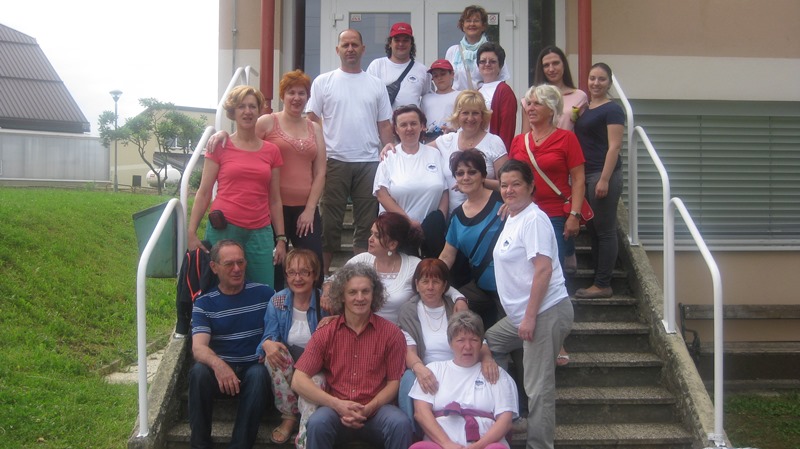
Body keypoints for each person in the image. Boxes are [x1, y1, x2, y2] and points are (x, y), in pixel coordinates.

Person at [208, 70, 326, 290]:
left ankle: (313, 307)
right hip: (272, 209)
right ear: (283, 96)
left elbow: (320, 172)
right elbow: (243, 138)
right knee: (276, 267)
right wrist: (222, 134)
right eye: (291, 92)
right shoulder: (268, 122)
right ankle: (277, 307)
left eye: (301, 93)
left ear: (308, 97)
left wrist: (311, 209)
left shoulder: (315, 128)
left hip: (305, 210)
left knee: (313, 263)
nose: (296, 98)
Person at [486, 160, 574, 449]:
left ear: (531, 186)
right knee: (490, 343)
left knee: (539, 388)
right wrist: (509, 205)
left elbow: (543, 270)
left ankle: (539, 444)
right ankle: (508, 411)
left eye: (516, 184)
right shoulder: (514, 214)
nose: (509, 190)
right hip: (523, 314)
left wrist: (530, 317)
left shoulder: (534, 219)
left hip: (544, 311)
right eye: (504, 185)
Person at [291, 263, 412, 449]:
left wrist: (369, 408)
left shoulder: (391, 334)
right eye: (353, 292)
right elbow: (298, 380)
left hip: (376, 411)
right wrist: (337, 404)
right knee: (317, 423)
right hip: (336, 412)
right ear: (342, 296)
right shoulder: (326, 333)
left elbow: (394, 383)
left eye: (365, 291)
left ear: (374, 294)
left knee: (400, 424)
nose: (360, 298)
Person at [307, 29, 394, 275]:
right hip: (334, 161)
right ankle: (322, 277)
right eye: (345, 45)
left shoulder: (376, 84)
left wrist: (390, 157)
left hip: (369, 163)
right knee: (329, 225)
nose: (350, 49)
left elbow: (384, 125)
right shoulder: (323, 82)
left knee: (366, 226)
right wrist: (316, 156)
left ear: (363, 49)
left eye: (355, 44)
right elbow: (311, 120)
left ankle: (360, 277)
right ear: (338, 50)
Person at [188, 86, 286, 286]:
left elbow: (275, 199)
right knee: (221, 289)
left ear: (259, 110)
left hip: (260, 232)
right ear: (233, 111)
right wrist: (191, 232)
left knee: (263, 289)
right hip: (225, 229)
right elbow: (204, 192)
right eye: (241, 106)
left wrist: (281, 238)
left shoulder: (272, 151)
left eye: (252, 106)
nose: (247, 111)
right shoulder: (220, 145)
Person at [189, 240, 275, 449]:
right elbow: (198, 348)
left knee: (258, 374)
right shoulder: (204, 303)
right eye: (229, 264)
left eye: (240, 262)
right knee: (198, 372)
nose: (237, 269)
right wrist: (219, 366)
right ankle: (200, 445)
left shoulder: (265, 294)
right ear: (214, 267)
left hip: (252, 371)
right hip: (220, 376)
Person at [397, 259, 499, 428]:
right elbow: (409, 350)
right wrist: (420, 369)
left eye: (436, 282)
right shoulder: (409, 311)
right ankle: (414, 432)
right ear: (417, 284)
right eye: (425, 282)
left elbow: (477, 339)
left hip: (460, 368)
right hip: (428, 370)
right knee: (408, 378)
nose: (430, 287)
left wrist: (487, 358)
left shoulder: (456, 307)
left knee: (493, 372)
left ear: (444, 286)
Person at [410, 310, 517, 449]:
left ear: (481, 344)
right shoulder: (433, 371)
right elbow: (421, 413)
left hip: (485, 445)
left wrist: (478, 446)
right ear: (450, 343)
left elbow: (505, 421)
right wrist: (447, 444)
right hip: (441, 445)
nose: (467, 347)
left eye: (474, 340)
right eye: (460, 340)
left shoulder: (496, 373)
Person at [509, 84, 586, 271]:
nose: (530, 108)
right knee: (525, 269)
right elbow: (510, 177)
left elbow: (578, 179)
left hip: (555, 214)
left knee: (552, 270)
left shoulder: (567, 139)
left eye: (537, 104)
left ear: (551, 109)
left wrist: (574, 215)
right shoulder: (518, 141)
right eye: (529, 103)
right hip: (523, 212)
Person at [256, 249, 327, 444]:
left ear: (315, 275)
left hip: (316, 367)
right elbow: (270, 335)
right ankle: (289, 415)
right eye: (292, 272)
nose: (297, 278)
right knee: (274, 354)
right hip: (288, 364)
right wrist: (267, 344)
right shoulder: (278, 301)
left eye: (304, 272)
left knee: (315, 383)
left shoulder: (325, 301)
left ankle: (304, 437)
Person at [345, 212, 467, 324]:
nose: (370, 239)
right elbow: (336, 283)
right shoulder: (360, 260)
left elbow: (441, 285)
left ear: (392, 244)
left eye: (377, 236)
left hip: (401, 334)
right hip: (362, 330)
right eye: (371, 233)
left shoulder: (413, 265)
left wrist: (460, 299)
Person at [573, 63, 625, 299]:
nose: (596, 83)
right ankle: (597, 279)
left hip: (602, 175)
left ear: (609, 83)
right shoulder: (587, 107)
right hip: (587, 174)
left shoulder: (612, 109)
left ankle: (603, 284)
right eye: (592, 78)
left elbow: (614, 146)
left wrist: (604, 179)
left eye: (601, 79)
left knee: (605, 231)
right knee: (593, 229)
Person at [439, 149, 505, 329]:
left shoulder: (504, 202)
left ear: (483, 175)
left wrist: (516, 206)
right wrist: (431, 277)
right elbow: (446, 256)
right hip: (481, 288)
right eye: (460, 173)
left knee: (509, 341)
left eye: (472, 172)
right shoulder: (457, 216)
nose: (466, 177)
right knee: (449, 309)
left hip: (511, 288)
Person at [374, 105, 449, 257]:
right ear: (396, 129)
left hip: (431, 234)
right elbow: (382, 195)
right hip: (397, 232)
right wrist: (409, 223)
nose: (409, 128)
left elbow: (444, 191)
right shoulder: (389, 157)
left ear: (422, 126)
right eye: (403, 125)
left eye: (414, 123)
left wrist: (438, 220)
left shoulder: (435, 154)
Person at [431, 90, 508, 214]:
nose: (470, 118)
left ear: (482, 116)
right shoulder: (447, 141)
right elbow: (416, 150)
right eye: (465, 113)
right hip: (453, 217)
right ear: (457, 115)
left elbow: (506, 184)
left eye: (475, 113)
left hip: (487, 215)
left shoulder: (494, 142)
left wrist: (478, 182)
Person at [445, 5, 510, 91]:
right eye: (468, 21)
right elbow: (446, 81)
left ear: (483, 25)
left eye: (476, 21)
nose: (472, 24)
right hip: (458, 99)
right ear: (463, 25)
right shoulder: (453, 51)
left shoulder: (494, 51)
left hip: (484, 98)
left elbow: (502, 81)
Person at [524, 45, 588, 132]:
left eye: (555, 63)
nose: (551, 69)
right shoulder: (529, 99)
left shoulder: (579, 97)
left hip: (568, 140)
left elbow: (584, 132)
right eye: (546, 65)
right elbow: (525, 134)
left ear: (564, 65)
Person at [367, 22, 430, 108]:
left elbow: (429, 100)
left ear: (411, 44)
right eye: (397, 40)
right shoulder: (377, 66)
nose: (401, 44)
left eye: (405, 40)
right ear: (390, 43)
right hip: (385, 117)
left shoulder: (423, 70)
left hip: (413, 117)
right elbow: (367, 97)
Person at [477, 42, 517, 150]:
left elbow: (507, 129)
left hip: (494, 152)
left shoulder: (504, 91)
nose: (487, 64)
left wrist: (500, 152)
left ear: (500, 66)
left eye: (492, 61)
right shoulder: (477, 92)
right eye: (483, 61)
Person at [421, 59, 460, 144]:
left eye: (443, 74)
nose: (439, 78)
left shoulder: (460, 96)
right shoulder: (426, 98)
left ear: (452, 74)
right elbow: (422, 122)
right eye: (435, 75)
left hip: (453, 140)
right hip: (430, 140)